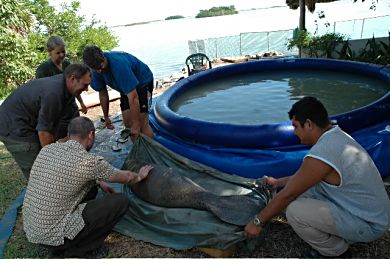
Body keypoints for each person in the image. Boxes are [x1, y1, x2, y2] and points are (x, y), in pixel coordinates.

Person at [244, 96, 390, 257]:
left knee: (294, 210)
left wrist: (257, 221)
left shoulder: (323, 152)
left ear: (309, 124)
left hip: (369, 223)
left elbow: (289, 194)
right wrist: (277, 182)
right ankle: (341, 231)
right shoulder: (336, 136)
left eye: (296, 127)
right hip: (369, 213)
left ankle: (335, 250)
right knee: (297, 195)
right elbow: (302, 179)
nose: (295, 132)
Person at [23, 116, 153, 257]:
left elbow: (70, 177)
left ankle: (52, 244)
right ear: (91, 135)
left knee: (91, 186)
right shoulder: (88, 162)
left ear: (68, 135)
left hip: (33, 230)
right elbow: (127, 177)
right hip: (55, 234)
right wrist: (139, 176)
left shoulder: (47, 150)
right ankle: (82, 249)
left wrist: (98, 182)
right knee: (121, 201)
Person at [0, 63, 91, 179]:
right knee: (40, 172)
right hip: (13, 128)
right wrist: (54, 160)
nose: (87, 89)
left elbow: (59, 124)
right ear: (73, 79)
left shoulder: (66, 89)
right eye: (85, 84)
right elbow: (44, 133)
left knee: (49, 164)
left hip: (25, 121)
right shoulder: (54, 93)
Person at [82, 45, 154, 142]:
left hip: (142, 82)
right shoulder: (95, 71)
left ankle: (150, 153)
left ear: (103, 57)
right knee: (129, 125)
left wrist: (136, 124)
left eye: (100, 66)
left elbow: (133, 98)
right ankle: (138, 152)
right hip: (125, 87)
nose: (100, 70)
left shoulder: (119, 65)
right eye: (95, 68)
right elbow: (103, 93)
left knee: (141, 124)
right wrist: (106, 117)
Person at [36, 35, 88, 138]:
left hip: (72, 109)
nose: (61, 55)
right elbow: (41, 94)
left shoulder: (67, 65)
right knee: (62, 139)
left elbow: (75, 87)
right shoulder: (43, 69)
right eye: (58, 53)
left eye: (63, 52)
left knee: (77, 135)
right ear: (50, 52)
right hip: (57, 113)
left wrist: (81, 102)